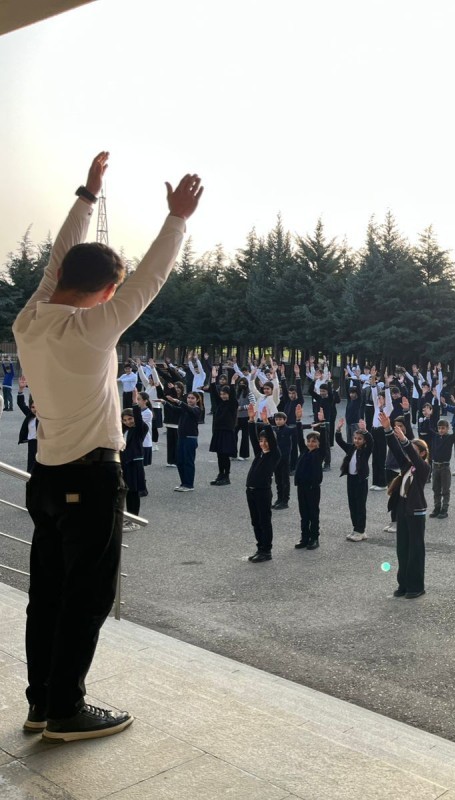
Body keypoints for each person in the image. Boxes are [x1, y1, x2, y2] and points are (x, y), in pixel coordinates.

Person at [13, 152, 202, 741]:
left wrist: (86, 196)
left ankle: (42, 701)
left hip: (46, 477)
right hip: (89, 478)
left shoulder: (29, 321)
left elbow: (56, 263)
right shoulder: (91, 330)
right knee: (86, 597)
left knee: (46, 596)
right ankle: (66, 709)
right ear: (104, 291)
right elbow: (151, 280)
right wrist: (177, 219)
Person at [382, 411, 431, 598]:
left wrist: (404, 439)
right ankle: (403, 584)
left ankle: (416, 587)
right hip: (402, 508)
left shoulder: (423, 468)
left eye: (415, 450)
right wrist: (388, 429)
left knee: (415, 550)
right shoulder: (407, 466)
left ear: (422, 454)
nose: (409, 453)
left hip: (416, 512)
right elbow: (396, 449)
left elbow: (411, 454)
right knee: (402, 548)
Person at [246, 421, 280, 563]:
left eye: (266, 441)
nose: (263, 444)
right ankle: (260, 547)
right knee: (255, 521)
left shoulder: (274, 455)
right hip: (251, 491)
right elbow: (253, 438)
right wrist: (251, 421)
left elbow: (271, 440)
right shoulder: (259, 453)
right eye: (261, 441)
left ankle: (266, 551)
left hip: (262, 492)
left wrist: (266, 424)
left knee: (264, 522)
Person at [335, 419, 371, 541]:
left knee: (360, 505)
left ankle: (361, 530)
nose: (356, 440)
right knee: (352, 504)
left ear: (364, 441)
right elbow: (340, 442)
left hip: (361, 480)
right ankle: (356, 528)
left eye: (359, 439)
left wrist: (365, 431)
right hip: (351, 479)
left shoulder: (366, 451)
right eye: (355, 438)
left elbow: (371, 441)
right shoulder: (351, 448)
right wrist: (338, 430)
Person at [293, 430, 327, 550]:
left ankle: (314, 538)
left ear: (319, 443)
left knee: (313, 514)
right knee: (304, 514)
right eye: (309, 441)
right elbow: (299, 439)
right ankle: (304, 538)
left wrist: (322, 424)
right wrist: (298, 422)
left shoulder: (320, 453)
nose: (310, 444)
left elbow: (324, 442)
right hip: (301, 487)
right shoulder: (304, 451)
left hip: (313, 488)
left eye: (314, 441)